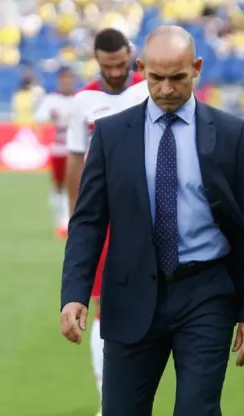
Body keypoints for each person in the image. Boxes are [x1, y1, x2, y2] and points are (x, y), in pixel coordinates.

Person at [60, 26, 244, 416]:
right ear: (141, 68)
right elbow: (89, 222)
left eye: (177, 78)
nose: (165, 89)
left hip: (206, 291)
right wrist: (75, 292)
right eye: (155, 78)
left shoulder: (231, 135)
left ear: (196, 68)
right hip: (130, 294)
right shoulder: (111, 135)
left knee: (198, 409)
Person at [63, 28, 149, 415]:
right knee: (104, 305)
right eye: (107, 66)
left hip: (150, 211)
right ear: (97, 61)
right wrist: (76, 219)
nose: (115, 72)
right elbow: (75, 161)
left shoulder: (149, 89)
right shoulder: (84, 101)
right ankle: (107, 402)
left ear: (130, 54)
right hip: (107, 214)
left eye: (120, 64)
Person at [35, 66, 77, 238]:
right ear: (59, 81)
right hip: (59, 149)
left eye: (69, 78)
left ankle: (66, 222)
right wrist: (51, 115)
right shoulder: (52, 99)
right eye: (64, 78)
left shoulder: (80, 98)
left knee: (73, 186)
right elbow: (39, 117)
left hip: (77, 150)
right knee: (58, 186)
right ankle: (59, 219)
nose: (67, 82)